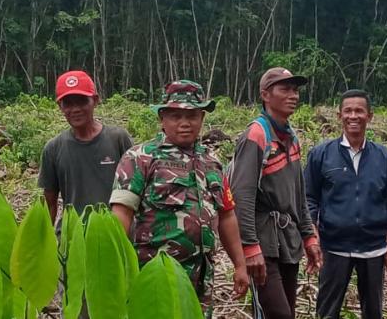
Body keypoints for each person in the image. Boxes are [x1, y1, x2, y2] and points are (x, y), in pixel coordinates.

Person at [109, 80, 249, 315]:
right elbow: (121, 214)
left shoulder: (211, 162)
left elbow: (226, 216)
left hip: (201, 281)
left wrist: (240, 265)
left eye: (192, 116)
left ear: (202, 118)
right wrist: (115, 268)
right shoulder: (141, 157)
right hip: (155, 276)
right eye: (175, 116)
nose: (185, 123)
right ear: (161, 118)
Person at [229, 67, 323, 319]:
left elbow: (299, 194)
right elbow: (242, 196)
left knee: (287, 312)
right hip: (264, 243)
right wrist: (249, 247)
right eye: (285, 89)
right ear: (265, 95)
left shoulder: (291, 136)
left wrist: (309, 237)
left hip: (288, 242)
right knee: (278, 314)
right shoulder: (256, 135)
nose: (293, 95)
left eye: (295, 90)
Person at [304, 89, 387, 319]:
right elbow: (309, 198)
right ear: (339, 116)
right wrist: (313, 236)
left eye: (359, 111)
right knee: (327, 311)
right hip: (334, 246)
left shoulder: (383, 156)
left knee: (373, 311)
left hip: (374, 248)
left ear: (370, 116)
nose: (353, 116)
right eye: (348, 111)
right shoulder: (321, 154)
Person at [39, 70, 133, 223]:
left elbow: (135, 190)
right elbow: (50, 203)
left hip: (113, 234)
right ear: (60, 106)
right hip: (73, 237)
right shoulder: (53, 148)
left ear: (95, 100)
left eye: (82, 101)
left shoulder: (118, 139)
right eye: (68, 103)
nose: (75, 109)